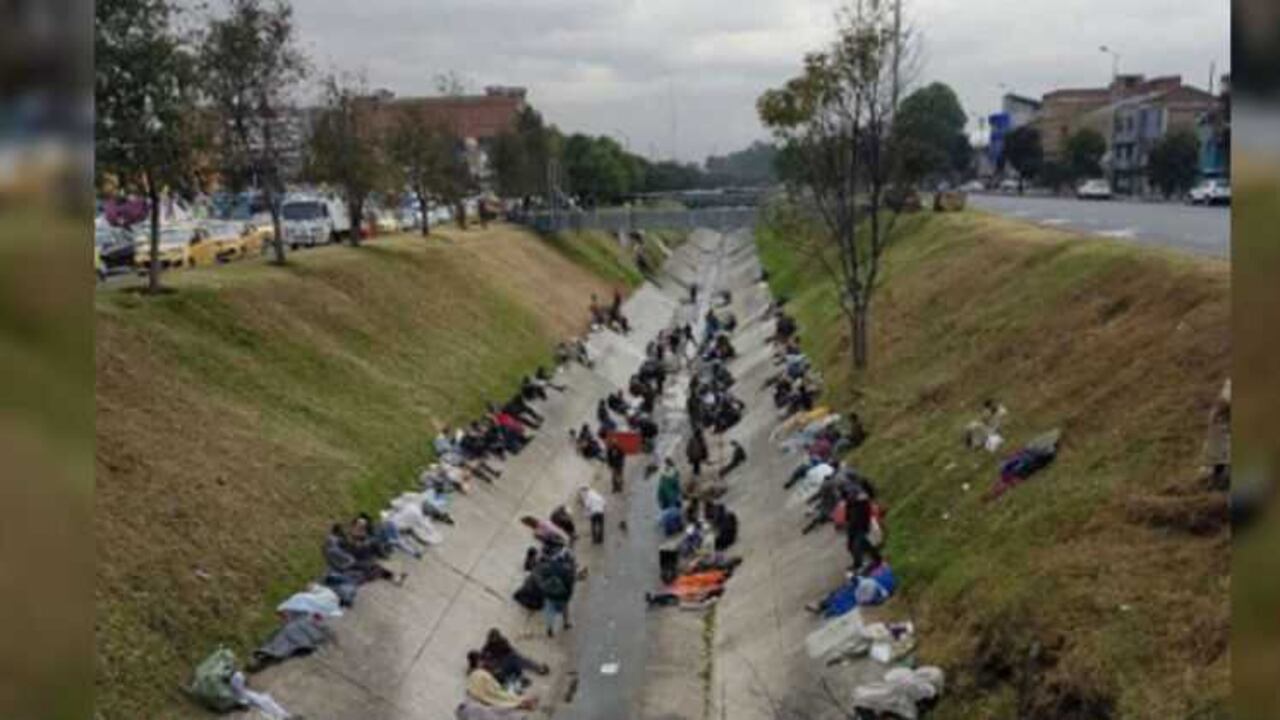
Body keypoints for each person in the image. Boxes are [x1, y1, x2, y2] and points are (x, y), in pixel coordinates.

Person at [465, 651, 539, 711]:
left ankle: (523, 701)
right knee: (503, 697)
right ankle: (523, 702)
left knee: (505, 695)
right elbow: (491, 686)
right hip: (487, 694)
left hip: (483, 693)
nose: (482, 662)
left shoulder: (475, 672)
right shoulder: (480, 672)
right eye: (480, 660)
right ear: (478, 661)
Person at [480, 628, 549, 688]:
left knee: (520, 660)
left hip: (506, 661)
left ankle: (537, 668)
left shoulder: (501, 642)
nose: (494, 639)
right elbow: (484, 657)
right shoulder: (489, 646)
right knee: (520, 660)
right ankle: (538, 668)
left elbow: (509, 650)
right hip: (502, 663)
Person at [533, 548, 575, 637]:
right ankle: (566, 623)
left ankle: (550, 629)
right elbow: (570, 584)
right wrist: (568, 596)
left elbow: (542, 577)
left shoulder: (549, 566)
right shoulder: (568, 570)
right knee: (565, 608)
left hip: (549, 594)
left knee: (550, 612)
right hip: (562, 595)